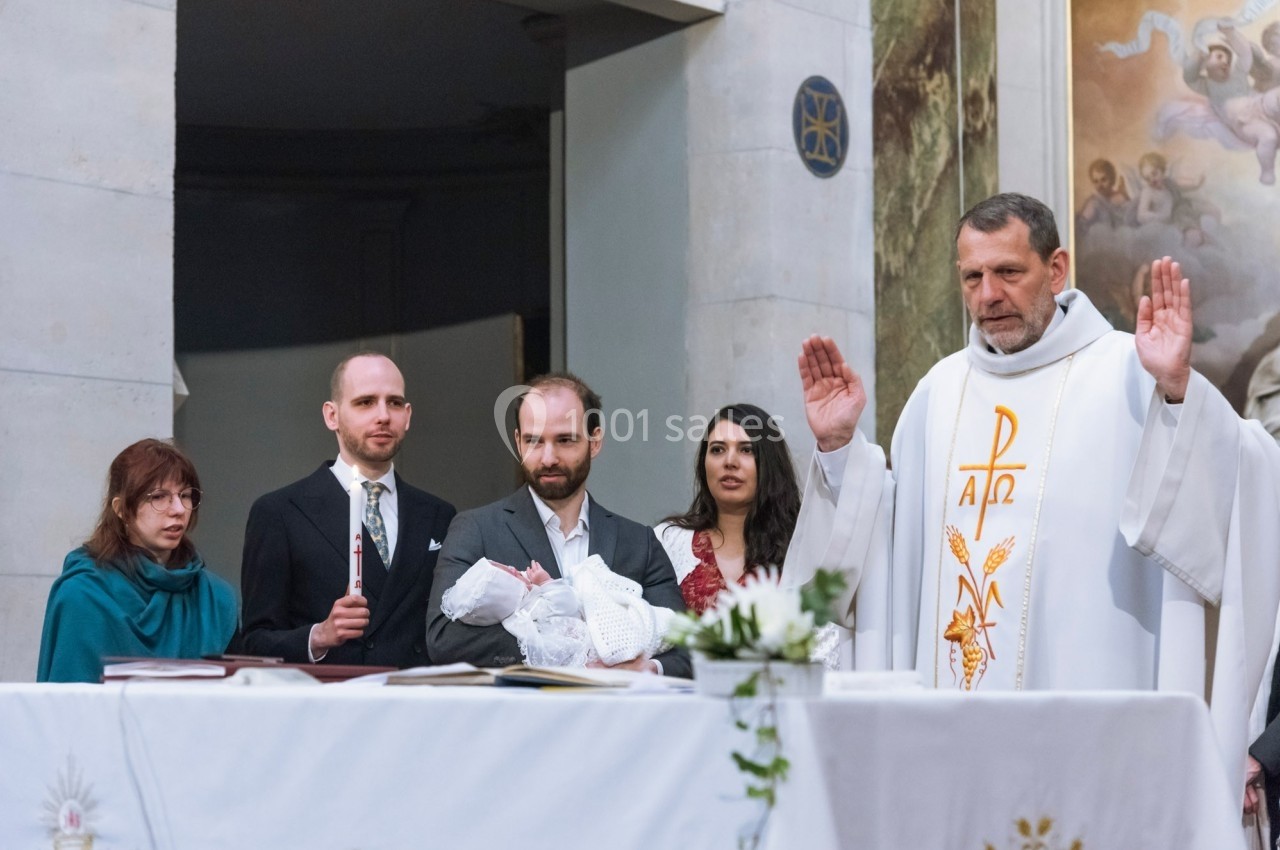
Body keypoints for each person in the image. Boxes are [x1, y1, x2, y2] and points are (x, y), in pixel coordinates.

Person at [783, 193, 1280, 811]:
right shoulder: (938, 393)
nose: (988, 295)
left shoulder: (1130, 371)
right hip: (952, 730)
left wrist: (1180, 392)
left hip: (1093, 719)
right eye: (972, 277)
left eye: (1008, 272)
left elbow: (1240, 492)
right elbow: (889, 550)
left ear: (1056, 269)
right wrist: (839, 452)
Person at [426, 372, 691, 677]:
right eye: (534, 441)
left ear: (595, 441)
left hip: (617, 707)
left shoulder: (639, 542)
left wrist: (648, 668)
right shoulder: (476, 529)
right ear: (518, 442)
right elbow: (443, 638)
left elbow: (686, 645)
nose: (548, 458)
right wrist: (564, 652)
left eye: (565, 440)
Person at [240, 351, 456, 667]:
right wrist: (318, 636)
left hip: (415, 693)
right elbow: (254, 642)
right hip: (334, 692)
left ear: (407, 415)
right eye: (365, 402)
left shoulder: (439, 516)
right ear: (332, 415)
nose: (383, 415)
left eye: (394, 403)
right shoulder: (280, 513)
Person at [37, 439, 237, 683]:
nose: (178, 509)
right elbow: (68, 699)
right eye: (159, 497)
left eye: (185, 495)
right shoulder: (82, 595)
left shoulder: (215, 599)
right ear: (121, 509)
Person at [654, 403, 800, 614]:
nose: (730, 462)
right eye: (717, 450)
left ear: (770, 463)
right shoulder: (668, 541)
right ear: (703, 464)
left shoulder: (800, 548)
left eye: (746, 450)